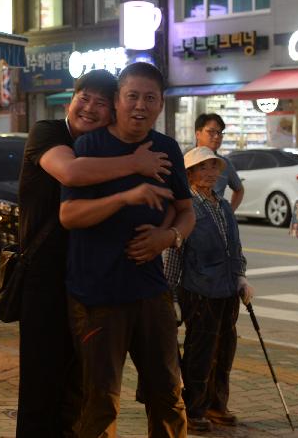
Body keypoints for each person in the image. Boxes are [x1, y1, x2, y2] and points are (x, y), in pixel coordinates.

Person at [17, 69, 173, 438]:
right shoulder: (48, 133)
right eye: (83, 98)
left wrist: (165, 233)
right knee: (41, 385)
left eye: (101, 103)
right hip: (43, 281)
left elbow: (165, 201)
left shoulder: (107, 147)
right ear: (70, 99)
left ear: (112, 111)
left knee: (80, 388)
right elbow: (71, 173)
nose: (89, 108)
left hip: (84, 283)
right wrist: (136, 164)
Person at [60, 62, 196, 438]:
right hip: (96, 296)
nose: (140, 106)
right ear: (117, 102)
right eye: (132, 96)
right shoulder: (90, 146)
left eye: (149, 98)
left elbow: (186, 213)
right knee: (100, 401)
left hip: (151, 293)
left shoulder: (167, 149)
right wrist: (126, 197)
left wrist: (167, 238)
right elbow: (69, 215)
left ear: (161, 104)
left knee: (168, 394)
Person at [178, 146, 254, 431]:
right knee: (200, 352)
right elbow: (174, 254)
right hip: (199, 291)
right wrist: (171, 296)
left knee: (224, 352)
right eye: (203, 168)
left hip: (226, 290)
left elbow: (234, 247)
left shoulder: (222, 205)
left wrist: (241, 277)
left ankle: (216, 405)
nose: (210, 173)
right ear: (190, 174)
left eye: (214, 167)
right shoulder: (185, 205)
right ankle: (193, 409)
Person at [195, 113, 245, 211]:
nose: (217, 136)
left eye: (220, 132)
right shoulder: (185, 160)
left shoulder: (224, 163)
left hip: (217, 219)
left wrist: (229, 212)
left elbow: (239, 190)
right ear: (198, 134)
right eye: (211, 132)